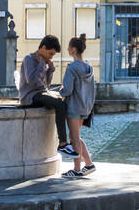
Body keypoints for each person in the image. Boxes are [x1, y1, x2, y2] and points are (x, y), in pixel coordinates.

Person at [18, 34, 78, 158]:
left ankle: (71, 139)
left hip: (41, 93)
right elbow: (31, 81)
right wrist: (41, 65)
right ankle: (62, 143)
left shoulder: (44, 62)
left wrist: (50, 69)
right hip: (30, 97)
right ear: (43, 48)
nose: (51, 57)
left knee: (63, 101)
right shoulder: (29, 58)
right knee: (59, 104)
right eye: (51, 54)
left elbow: (46, 85)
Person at [59, 34, 97, 179]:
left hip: (74, 107)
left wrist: (60, 90)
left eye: (69, 46)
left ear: (73, 49)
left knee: (74, 138)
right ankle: (88, 164)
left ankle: (76, 169)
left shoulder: (71, 68)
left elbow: (67, 90)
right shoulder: (89, 68)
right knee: (76, 136)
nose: (67, 48)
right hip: (85, 107)